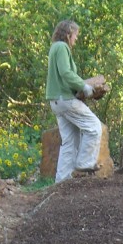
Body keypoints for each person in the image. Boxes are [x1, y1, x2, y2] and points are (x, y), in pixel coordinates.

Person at [45, 20, 103, 182]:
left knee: (70, 141)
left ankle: (62, 181)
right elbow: (66, 72)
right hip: (65, 99)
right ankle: (85, 162)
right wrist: (84, 86)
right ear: (68, 33)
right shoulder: (62, 47)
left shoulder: (54, 48)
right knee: (94, 127)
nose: (76, 39)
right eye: (76, 35)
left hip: (56, 101)